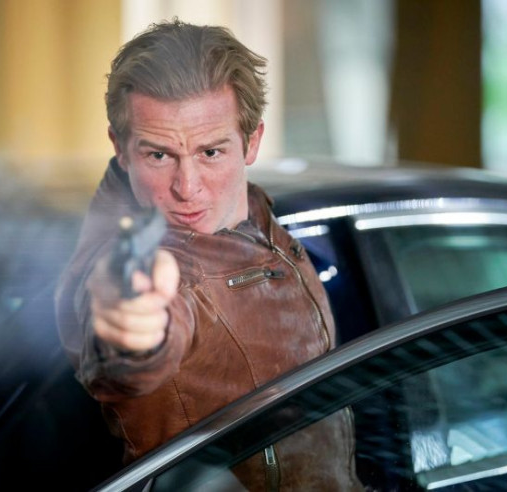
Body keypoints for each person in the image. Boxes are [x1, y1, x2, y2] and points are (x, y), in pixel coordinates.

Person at [55, 19, 362, 491]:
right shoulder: (148, 269)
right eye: (159, 155)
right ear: (121, 149)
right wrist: (131, 326)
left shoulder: (256, 215)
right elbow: (127, 353)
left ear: (252, 142)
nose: (187, 187)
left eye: (211, 153)